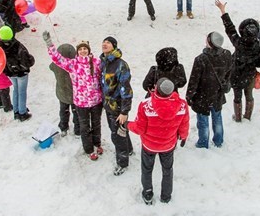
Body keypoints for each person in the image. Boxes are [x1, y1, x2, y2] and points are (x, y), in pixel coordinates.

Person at [127, 78, 190, 205]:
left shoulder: (146, 105)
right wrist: (183, 136)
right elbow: (184, 124)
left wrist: (128, 125)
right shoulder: (182, 105)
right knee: (167, 170)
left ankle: (148, 193)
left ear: (157, 89)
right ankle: (166, 196)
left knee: (147, 169)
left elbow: (139, 128)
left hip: (149, 146)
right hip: (168, 145)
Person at [44, 33, 104, 160]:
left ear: (89, 50)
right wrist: (50, 44)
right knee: (84, 126)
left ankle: (97, 143)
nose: (83, 51)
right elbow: (57, 59)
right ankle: (89, 149)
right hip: (81, 102)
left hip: (96, 101)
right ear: (77, 51)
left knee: (96, 124)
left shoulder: (97, 62)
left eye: (85, 48)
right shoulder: (73, 64)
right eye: (80, 49)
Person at [215, 0, 260, 122]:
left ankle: (238, 117)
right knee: (249, 95)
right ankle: (247, 116)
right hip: (250, 74)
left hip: (236, 74)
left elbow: (230, 28)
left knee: (237, 96)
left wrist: (223, 11)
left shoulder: (238, 43)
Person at [186, 32, 232, 148]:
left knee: (203, 121)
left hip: (203, 95)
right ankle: (218, 140)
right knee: (217, 118)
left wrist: (190, 95)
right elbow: (228, 73)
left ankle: (203, 142)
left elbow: (194, 80)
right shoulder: (226, 55)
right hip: (217, 94)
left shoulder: (201, 59)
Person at [100, 37, 134, 175]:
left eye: (108, 42)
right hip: (108, 105)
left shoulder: (120, 65)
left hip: (118, 107)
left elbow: (126, 89)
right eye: (103, 42)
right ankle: (129, 149)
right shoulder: (103, 63)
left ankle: (122, 163)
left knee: (117, 135)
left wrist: (124, 111)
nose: (104, 44)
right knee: (120, 131)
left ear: (114, 46)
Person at [0, 35, 35, 121]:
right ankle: (22, 112)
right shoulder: (17, 46)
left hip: (10, 73)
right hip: (21, 73)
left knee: (16, 90)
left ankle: (16, 111)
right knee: (21, 91)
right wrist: (31, 60)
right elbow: (27, 60)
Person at [46, 43, 78, 137]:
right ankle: (77, 129)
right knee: (76, 113)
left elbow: (50, 66)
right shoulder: (74, 66)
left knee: (63, 111)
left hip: (61, 93)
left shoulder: (56, 65)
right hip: (74, 95)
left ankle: (63, 127)